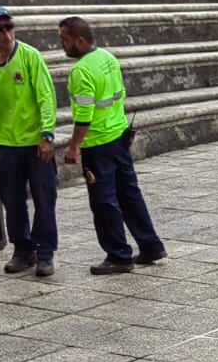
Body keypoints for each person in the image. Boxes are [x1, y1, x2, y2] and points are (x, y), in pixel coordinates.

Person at [57, 16, 166, 275]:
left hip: (98, 144)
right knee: (129, 194)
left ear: (80, 41)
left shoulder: (81, 71)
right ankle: (151, 245)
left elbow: (84, 116)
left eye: (64, 40)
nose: (62, 45)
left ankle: (118, 255)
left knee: (104, 201)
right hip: (119, 136)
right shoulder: (107, 57)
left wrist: (73, 147)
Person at [0, 6, 58, 277]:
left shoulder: (30, 57)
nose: (6, 33)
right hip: (5, 141)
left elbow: (46, 97)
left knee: (44, 198)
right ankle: (23, 249)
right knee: (12, 199)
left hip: (34, 141)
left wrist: (47, 135)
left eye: (9, 27)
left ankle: (45, 252)